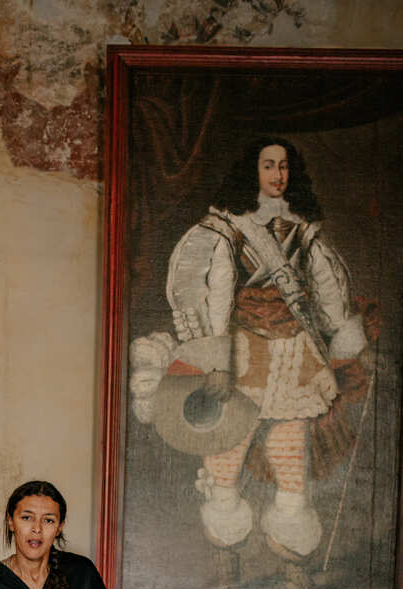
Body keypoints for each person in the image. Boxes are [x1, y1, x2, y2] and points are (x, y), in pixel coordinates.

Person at [132, 138, 370, 559]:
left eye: (284, 166)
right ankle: (225, 540)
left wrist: (345, 341)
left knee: (289, 443)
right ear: (251, 171)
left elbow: (329, 292)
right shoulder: (225, 229)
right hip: (242, 352)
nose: (278, 175)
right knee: (230, 441)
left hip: (295, 353)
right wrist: (215, 361)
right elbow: (214, 296)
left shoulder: (302, 229)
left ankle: (292, 544)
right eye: (268, 166)